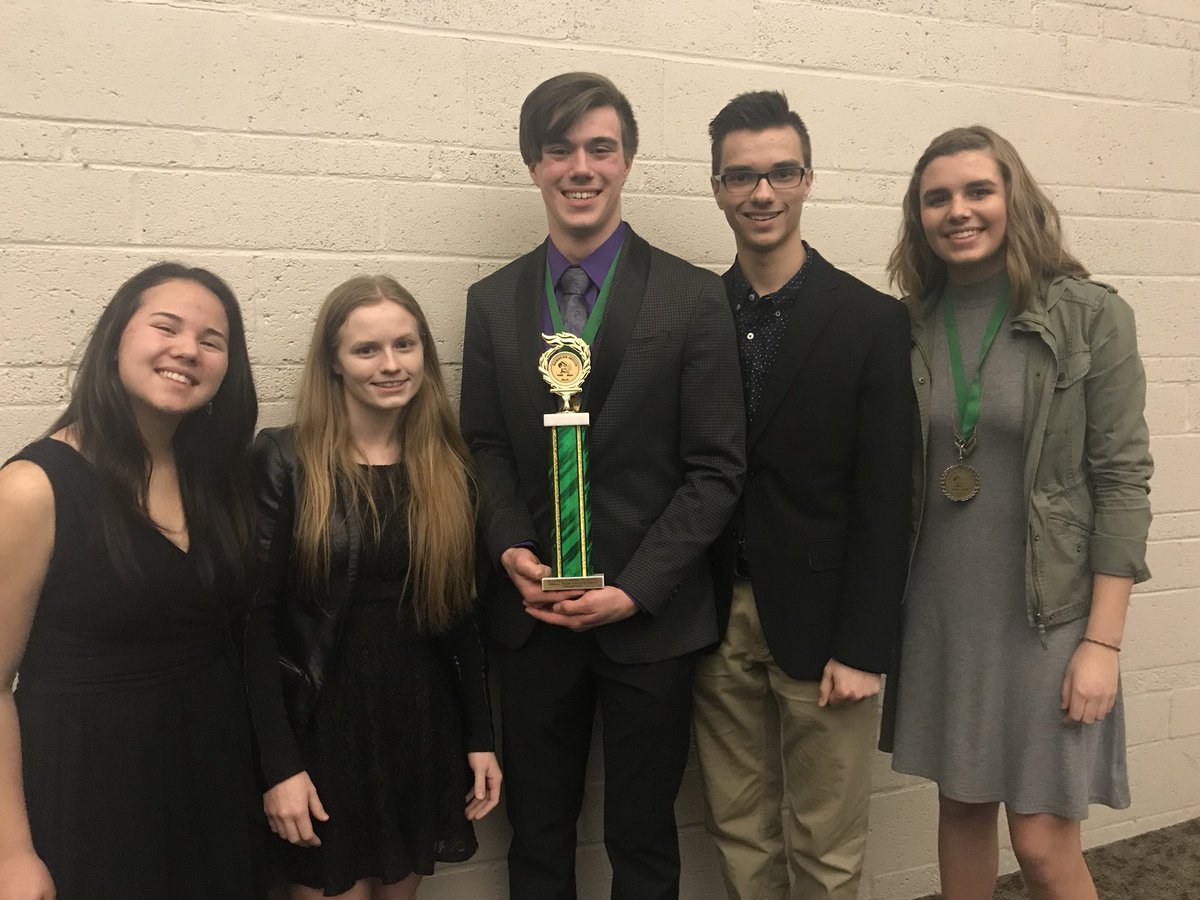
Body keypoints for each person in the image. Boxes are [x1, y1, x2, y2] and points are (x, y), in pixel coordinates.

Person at [459, 72, 745, 900]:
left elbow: (716, 467)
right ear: (533, 165)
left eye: (599, 148)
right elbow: (482, 444)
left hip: (650, 622)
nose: (580, 168)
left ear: (626, 162)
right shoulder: (492, 303)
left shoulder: (694, 298)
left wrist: (636, 590)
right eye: (559, 150)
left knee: (644, 835)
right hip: (534, 616)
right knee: (538, 831)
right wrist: (509, 544)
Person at [880, 126, 1153, 899]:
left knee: (1040, 842)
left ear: (1014, 200)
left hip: (1046, 613)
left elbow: (1123, 479)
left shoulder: (1090, 315)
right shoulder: (909, 325)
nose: (958, 211)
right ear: (918, 216)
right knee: (961, 809)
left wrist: (1102, 641)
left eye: (978, 191)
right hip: (939, 606)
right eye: (938, 198)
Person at [693, 90, 913, 900]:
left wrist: (864, 645)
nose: (762, 192)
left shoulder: (871, 323)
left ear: (808, 180)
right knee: (740, 834)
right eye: (742, 176)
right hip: (714, 620)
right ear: (717, 188)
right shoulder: (694, 315)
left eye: (781, 172)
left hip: (825, 629)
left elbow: (889, 498)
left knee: (826, 848)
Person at [0, 263, 259, 900]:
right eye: (165, 327)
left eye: (211, 340)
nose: (186, 350)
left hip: (213, 784)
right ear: (115, 337)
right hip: (91, 796)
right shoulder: (33, 488)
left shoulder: (215, 476)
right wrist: (12, 854)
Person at [244, 275, 501, 900]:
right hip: (319, 732)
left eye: (405, 345)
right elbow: (251, 621)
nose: (391, 365)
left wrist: (480, 737)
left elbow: (457, 613)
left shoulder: (448, 467)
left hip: (418, 723)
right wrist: (278, 765)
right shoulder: (286, 460)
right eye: (367, 350)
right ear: (333, 362)